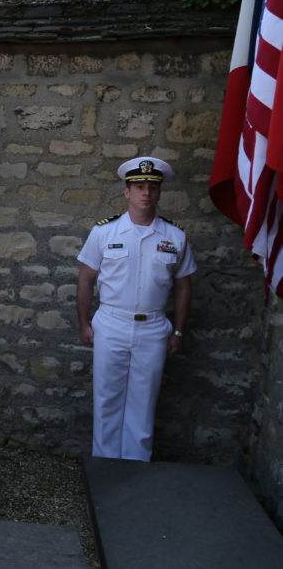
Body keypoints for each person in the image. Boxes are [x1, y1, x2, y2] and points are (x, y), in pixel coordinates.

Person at [77, 156, 195, 462]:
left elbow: (184, 286)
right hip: (111, 322)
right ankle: (104, 467)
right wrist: (84, 323)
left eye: (152, 188)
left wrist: (179, 330)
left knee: (144, 402)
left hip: (153, 327)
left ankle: (135, 469)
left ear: (159, 193)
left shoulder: (175, 237)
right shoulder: (104, 233)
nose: (146, 193)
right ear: (127, 192)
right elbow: (86, 280)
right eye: (139, 187)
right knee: (107, 399)